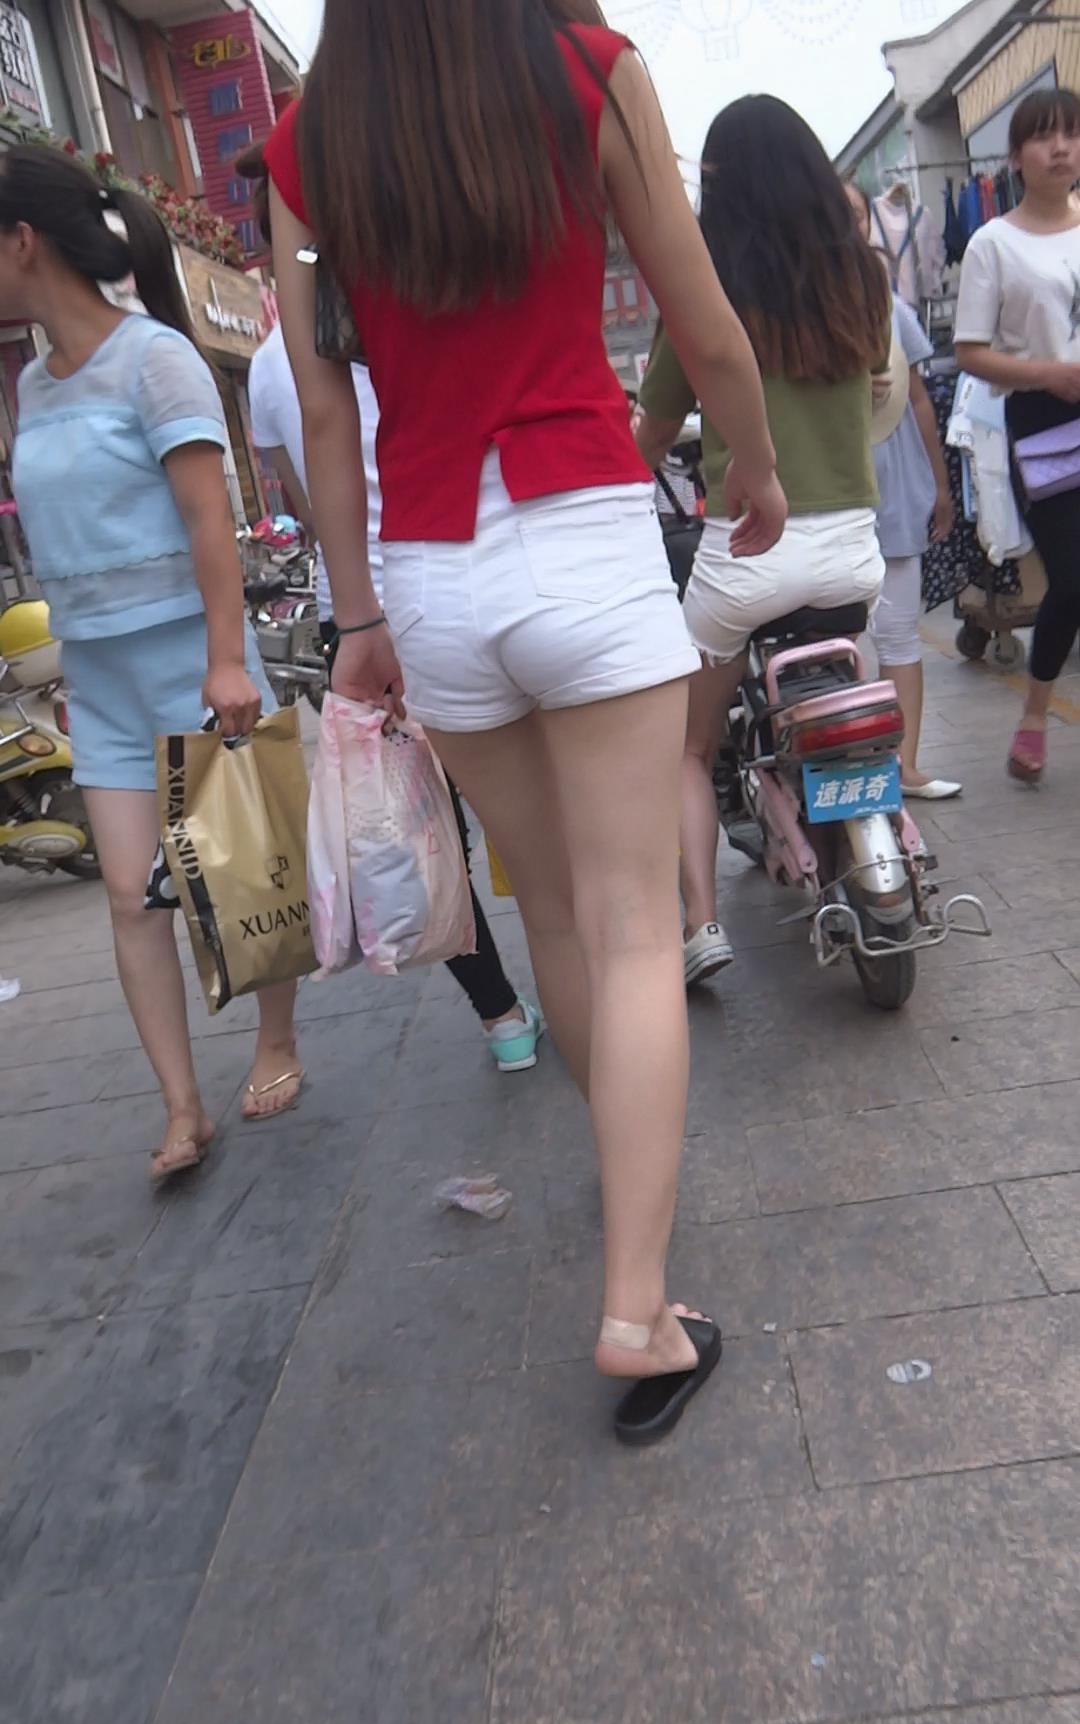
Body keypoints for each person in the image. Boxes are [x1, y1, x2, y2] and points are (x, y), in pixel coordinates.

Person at [264, 0, 786, 1438]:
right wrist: (753, 467)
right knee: (636, 923)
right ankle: (636, 1304)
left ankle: (627, 1185)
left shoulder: (308, 144)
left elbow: (324, 410)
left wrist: (357, 618)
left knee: (550, 907)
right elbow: (699, 316)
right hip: (584, 534)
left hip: (433, 573)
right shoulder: (590, 72)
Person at [0, 145, 303, 1181]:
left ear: (23, 242)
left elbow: (210, 519)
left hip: (189, 655)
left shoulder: (157, 358)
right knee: (130, 895)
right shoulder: (34, 384)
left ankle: (276, 1041)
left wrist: (226, 660)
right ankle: (182, 1107)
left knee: (242, 868)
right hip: (100, 679)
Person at [244, 166, 542, 1074]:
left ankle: (503, 1018)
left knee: (425, 825)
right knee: (523, 803)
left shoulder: (267, 366)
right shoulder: (410, 308)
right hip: (453, 577)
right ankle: (576, 974)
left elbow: (301, 500)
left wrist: (353, 606)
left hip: (364, 613)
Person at [635, 95, 887, 985]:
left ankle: (702, 925)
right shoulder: (864, 279)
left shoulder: (703, 296)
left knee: (689, 751)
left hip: (747, 562)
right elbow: (873, 383)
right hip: (854, 557)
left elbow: (651, 434)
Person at [954, 87, 1080, 784]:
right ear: (1015, 156)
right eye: (1043, 136)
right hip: (1045, 420)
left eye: (1072, 134)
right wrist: (1046, 375)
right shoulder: (992, 244)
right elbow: (970, 353)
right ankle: (1034, 713)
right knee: (1073, 578)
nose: (1060, 148)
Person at [845, 180, 961, 801]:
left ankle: (904, 765)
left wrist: (939, 486)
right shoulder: (789, 311)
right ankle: (850, 768)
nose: (845, 224)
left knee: (898, 632)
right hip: (828, 487)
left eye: (855, 213)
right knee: (838, 639)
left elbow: (917, 399)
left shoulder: (893, 309)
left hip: (893, 480)